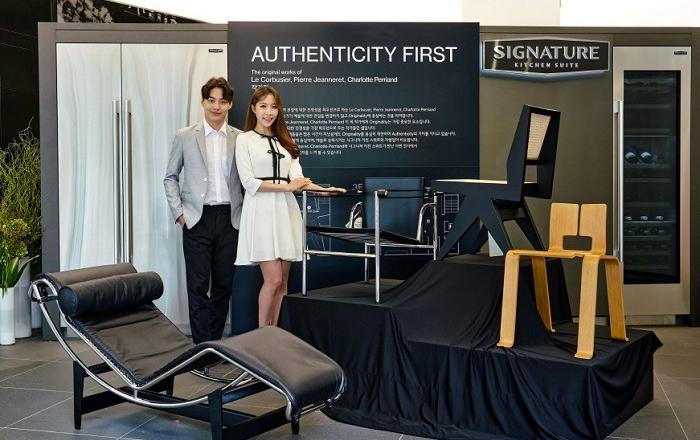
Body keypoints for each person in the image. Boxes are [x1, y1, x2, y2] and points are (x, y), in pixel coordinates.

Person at [235, 86, 344, 327]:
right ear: (253, 109)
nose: (269, 112)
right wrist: (287, 187)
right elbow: (249, 183)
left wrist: (325, 190)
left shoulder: (286, 141)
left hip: (286, 212)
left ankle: (275, 334)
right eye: (263, 106)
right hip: (261, 212)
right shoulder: (244, 140)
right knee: (273, 280)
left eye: (274, 106)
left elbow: (298, 179)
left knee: (283, 281)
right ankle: (262, 336)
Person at [164, 77, 243, 343]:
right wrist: (179, 214)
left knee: (223, 286)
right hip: (197, 218)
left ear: (229, 105)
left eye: (222, 101)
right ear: (203, 102)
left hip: (230, 219)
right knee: (197, 286)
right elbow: (170, 177)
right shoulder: (185, 136)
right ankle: (200, 346)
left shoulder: (240, 138)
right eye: (211, 100)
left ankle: (215, 344)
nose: (216, 107)